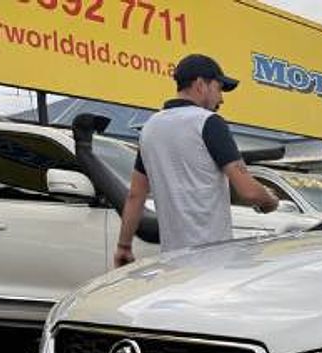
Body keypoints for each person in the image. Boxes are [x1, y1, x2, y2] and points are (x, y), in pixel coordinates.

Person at [114, 54, 279, 267]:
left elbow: (136, 195)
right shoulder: (209, 123)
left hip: (173, 261)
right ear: (201, 85)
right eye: (219, 89)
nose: (221, 99)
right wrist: (270, 201)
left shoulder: (150, 128)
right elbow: (249, 191)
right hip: (212, 260)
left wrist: (124, 246)